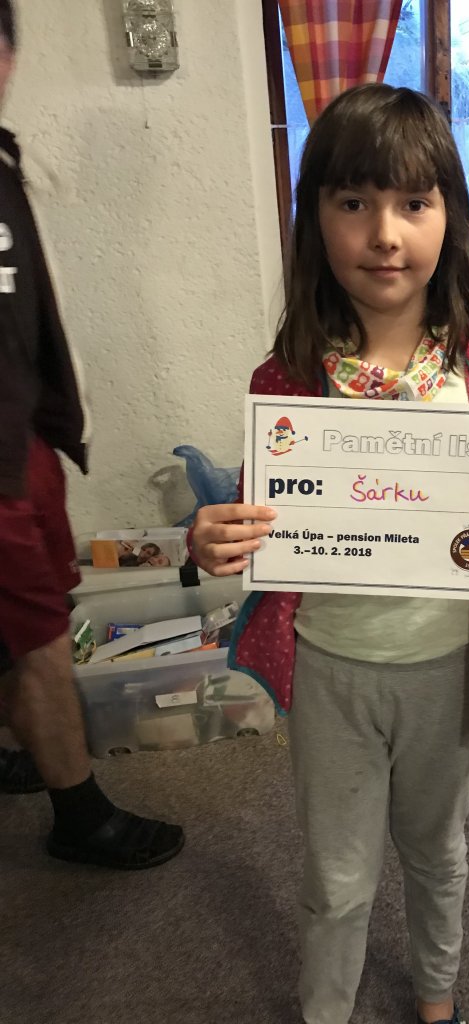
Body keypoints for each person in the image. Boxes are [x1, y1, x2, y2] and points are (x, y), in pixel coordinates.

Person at [191, 84, 469, 1024]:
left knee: (437, 852)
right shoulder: (288, 378)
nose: (385, 234)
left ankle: (437, 996)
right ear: (316, 218)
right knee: (335, 876)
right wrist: (214, 539)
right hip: (331, 666)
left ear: (450, 215)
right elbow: (256, 523)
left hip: (451, 669)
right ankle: (325, 1008)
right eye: (353, 202)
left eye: (414, 203)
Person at [0, 0, 184, 868]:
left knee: (33, 622)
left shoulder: (4, 164)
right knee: (41, 641)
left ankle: (24, 746)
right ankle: (81, 818)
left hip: (27, 446)